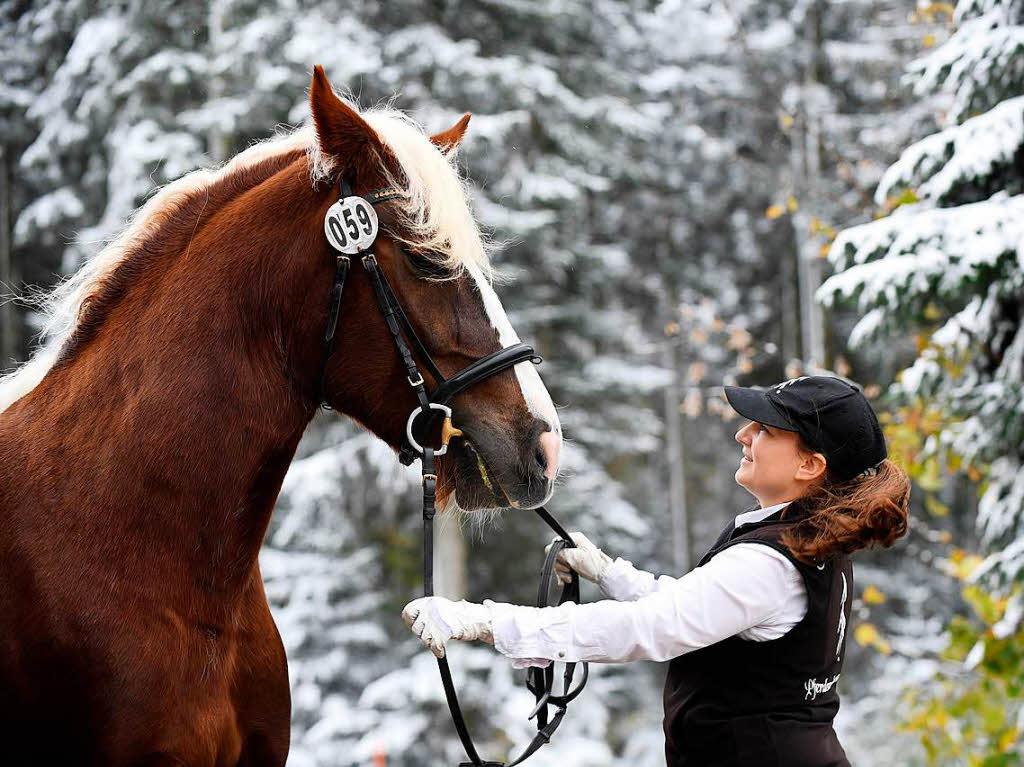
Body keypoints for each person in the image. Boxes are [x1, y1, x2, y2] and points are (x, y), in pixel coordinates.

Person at [403, 375, 910, 766]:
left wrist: (485, 621)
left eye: (766, 430)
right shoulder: (804, 542)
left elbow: (652, 628)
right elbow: (700, 609)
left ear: (809, 466)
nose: (742, 433)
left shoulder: (769, 562)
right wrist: (607, 571)